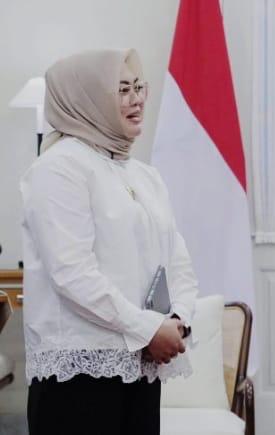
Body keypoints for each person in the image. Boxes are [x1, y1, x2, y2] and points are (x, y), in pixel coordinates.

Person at [20, 49, 198, 435]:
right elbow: (72, 274)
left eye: (138, 87)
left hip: (141, 369)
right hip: (78, 378)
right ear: (86, 97)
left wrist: (177, 320)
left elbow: (178, 262)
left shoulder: (145, 175)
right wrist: (149, 329)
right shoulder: (58, 167)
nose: (136, 99)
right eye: (121, 89)